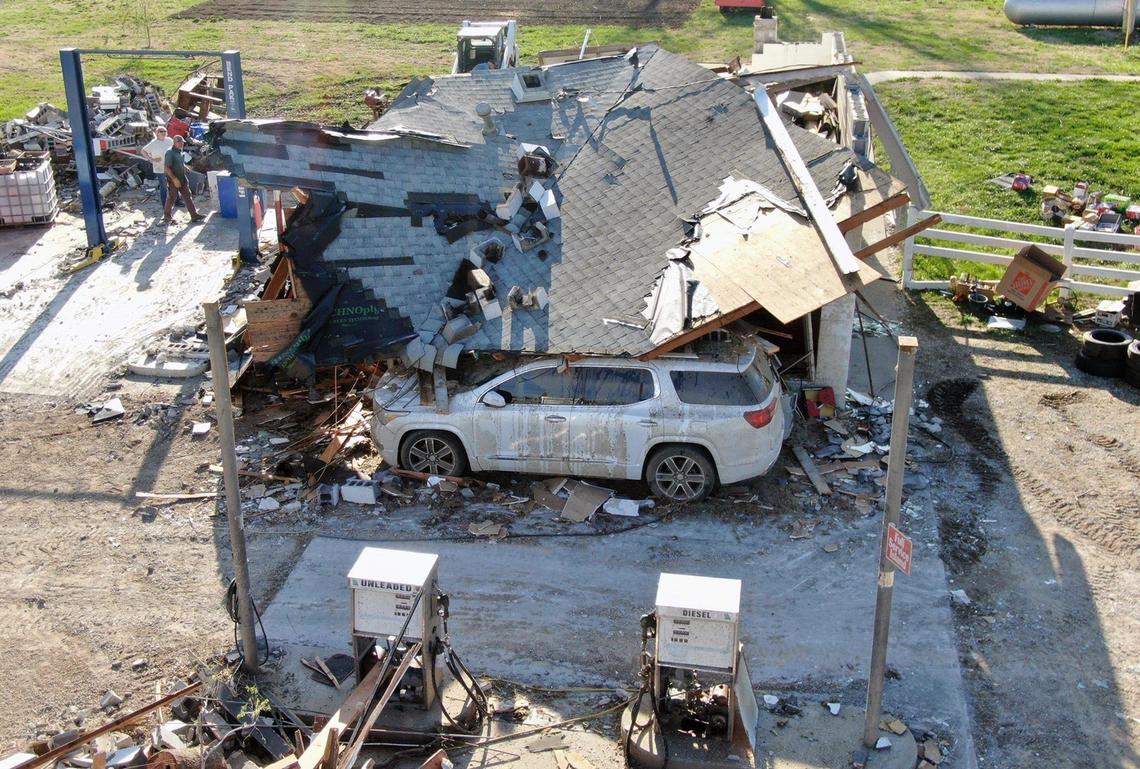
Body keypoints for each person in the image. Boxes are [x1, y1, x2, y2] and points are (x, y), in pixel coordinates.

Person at [162, 135, 205, 226]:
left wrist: (185, 167)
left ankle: (194, 215)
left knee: (188, 196)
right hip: (173, 179)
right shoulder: (170, 152)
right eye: (179, 142)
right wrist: (174, 179)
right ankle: (167, 217)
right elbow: (167, 168)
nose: (181, 144)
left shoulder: (180, 151)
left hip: (182, 178)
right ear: (174, 142)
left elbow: (179, 162)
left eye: (182, 142)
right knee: (172, 198)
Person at [141, 126, 172, 214]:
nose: (163, 133)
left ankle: (176, 202)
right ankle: (165, 205)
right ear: (157, 133)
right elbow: (143, 151)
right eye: (161, 131)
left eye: (165, 131)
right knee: (164, 187)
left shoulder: (169, 140)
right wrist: (151, 159)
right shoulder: (153, 143)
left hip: (170, 167)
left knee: (173, 185)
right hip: (160, 168)